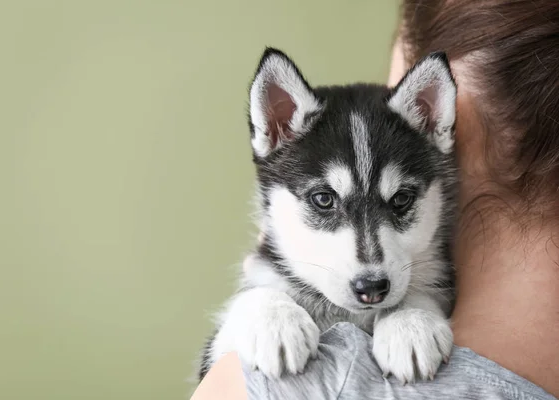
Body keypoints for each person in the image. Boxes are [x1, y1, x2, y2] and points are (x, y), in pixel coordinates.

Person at [191, 0, 559, 398]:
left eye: (401, 200)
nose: (371, 266)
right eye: (323, 201)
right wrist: (262, 306)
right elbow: (223, 352)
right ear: (276, 130)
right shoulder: (268, 289)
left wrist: (414, 310)